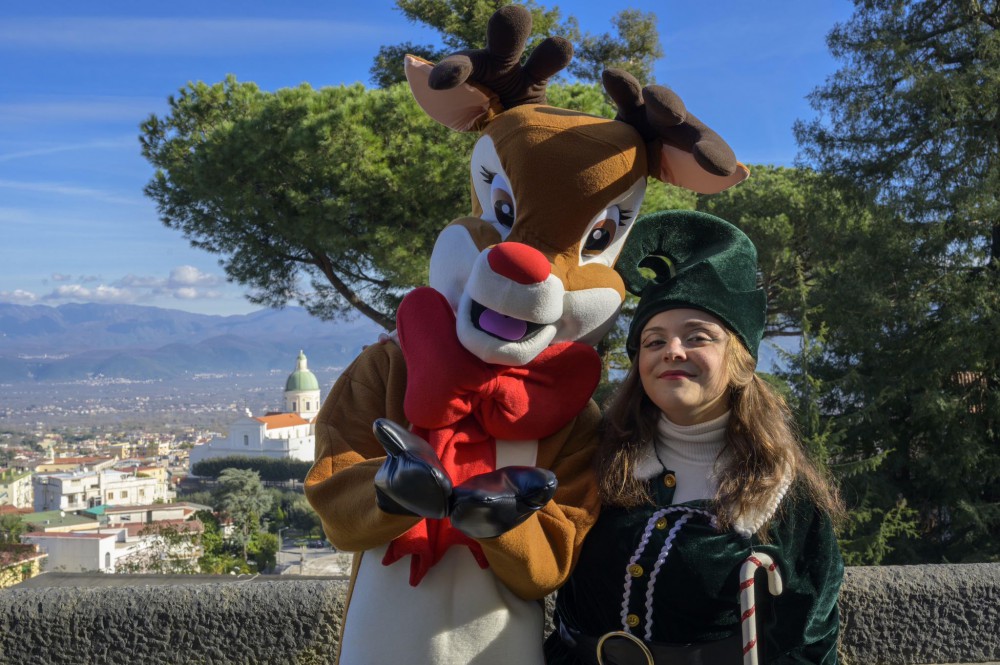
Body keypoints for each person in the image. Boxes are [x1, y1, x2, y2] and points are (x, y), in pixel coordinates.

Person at [544, 210, 845, 665]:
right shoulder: (591, 452)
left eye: (697, 336)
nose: (673, 351)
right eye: (653, 341)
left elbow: (811, 642)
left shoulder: (786, 492)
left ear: (740, 360)